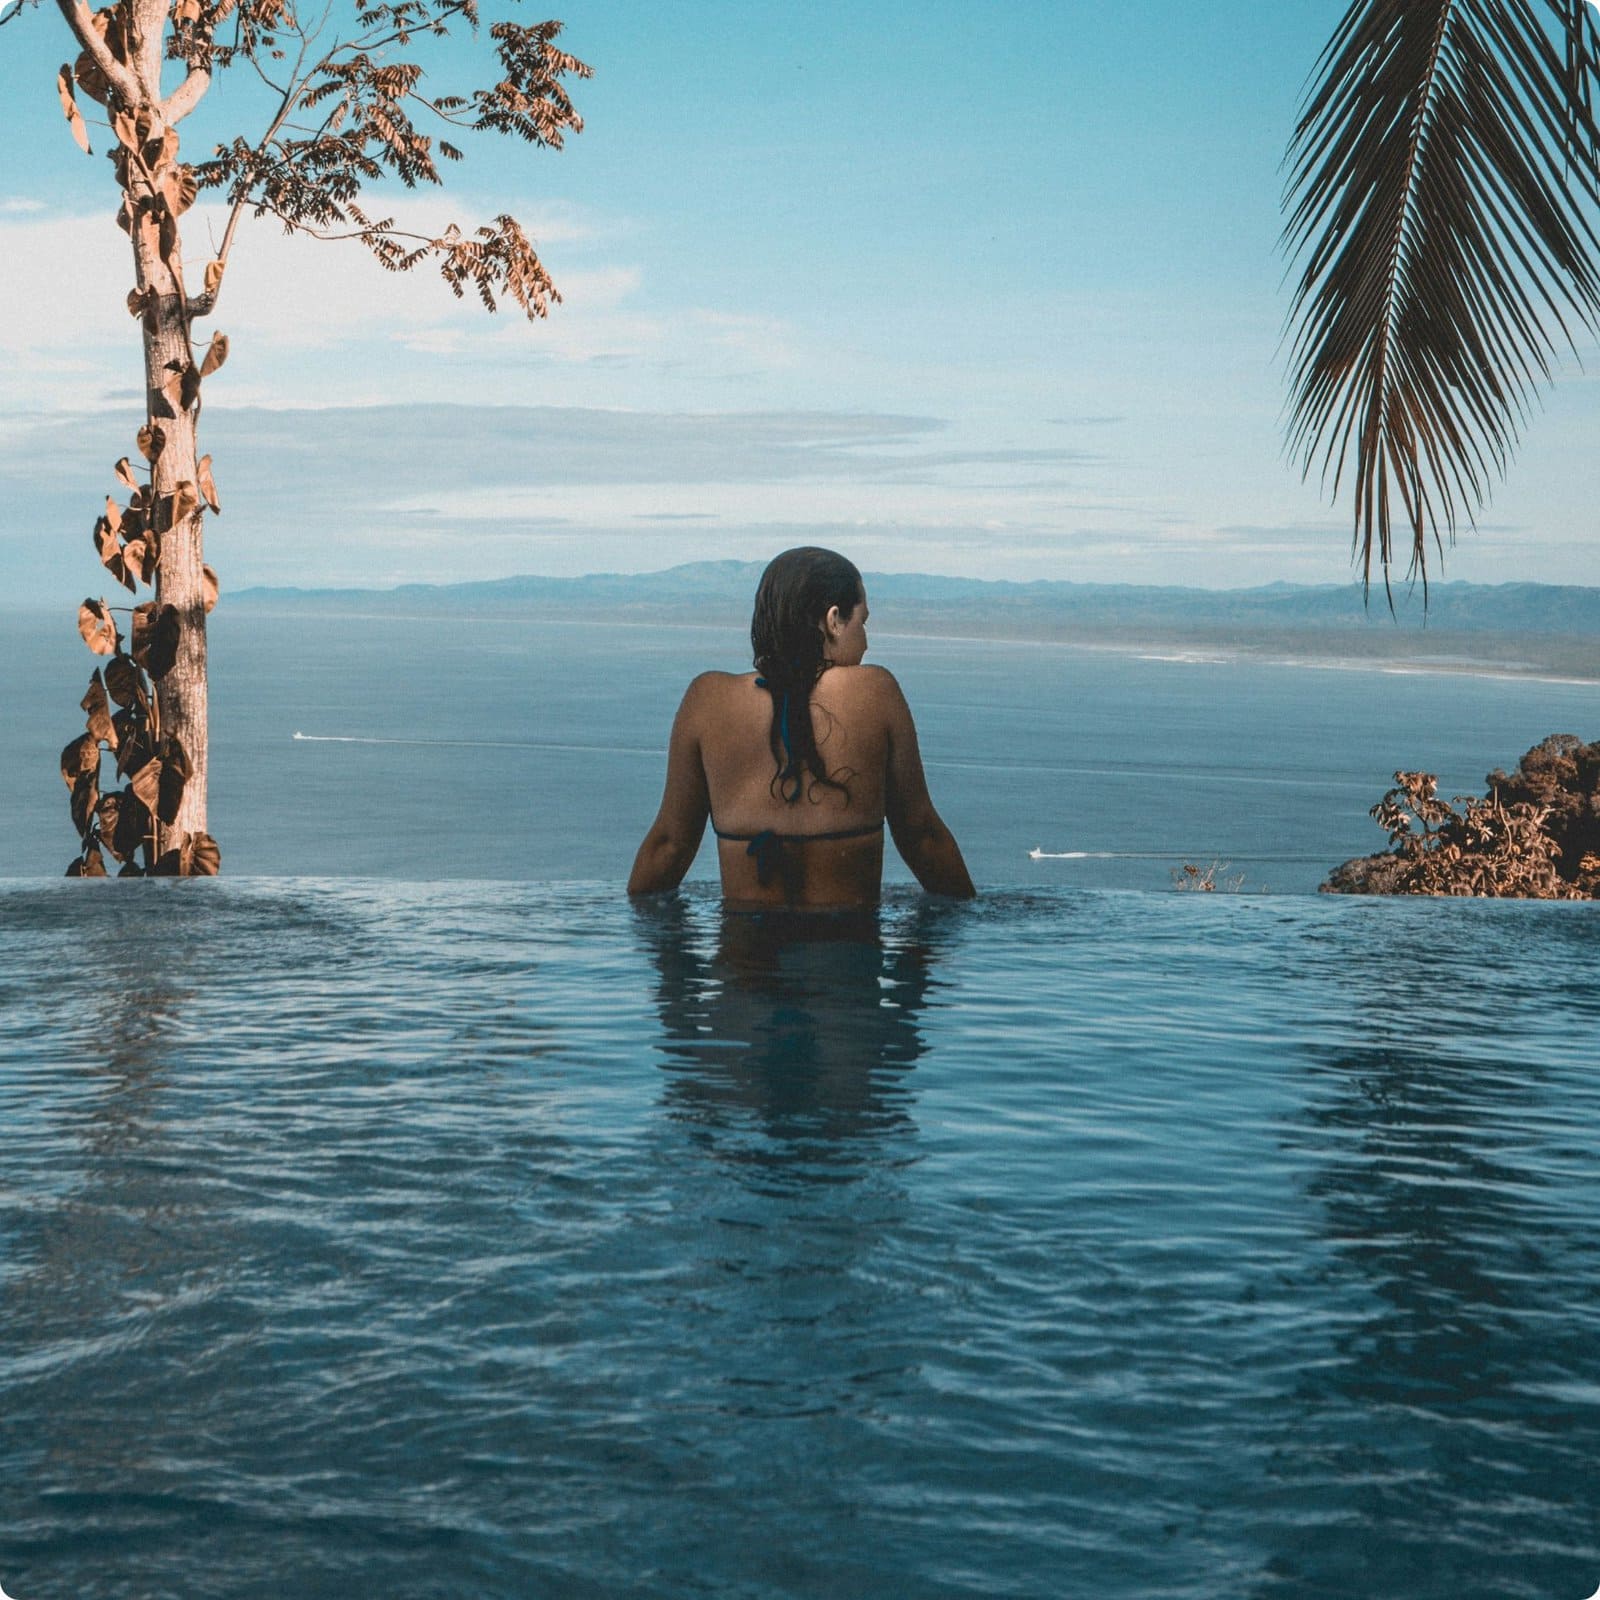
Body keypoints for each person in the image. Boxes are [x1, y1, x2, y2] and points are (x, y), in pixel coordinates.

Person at [628, 547, 976, 908]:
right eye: (863, 622)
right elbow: (923, 838)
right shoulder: (875, 691)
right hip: (847, 955)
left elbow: (668, 846)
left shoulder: (707, 700)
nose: (867, 641)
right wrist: (971, 916)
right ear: (833, 619)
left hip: (745, 955)